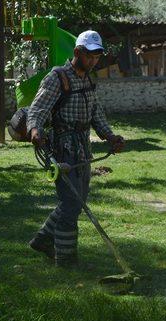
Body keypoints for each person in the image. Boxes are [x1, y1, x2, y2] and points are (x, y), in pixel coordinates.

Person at [26, 30, 125, 267]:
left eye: (96, 57)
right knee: (71, 204)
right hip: (62, 147)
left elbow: (96, 113)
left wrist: (110, 136)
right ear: (77, 52)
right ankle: (67, 260)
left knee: (75, 201)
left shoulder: (89, 79)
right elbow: (37, 109)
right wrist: (34, 130)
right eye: (89, 56)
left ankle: (42, 240)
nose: (93, 61)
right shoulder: (57, 78)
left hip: (83, 146)